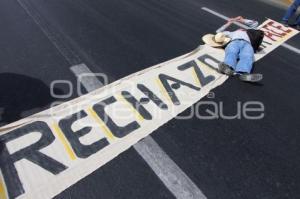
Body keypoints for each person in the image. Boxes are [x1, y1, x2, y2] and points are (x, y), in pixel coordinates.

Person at [202, 16, 264, 82]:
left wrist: (240, 20)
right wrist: (229, 23)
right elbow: (218, 31)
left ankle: (244, 73)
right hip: (234, 41)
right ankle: (228, 67)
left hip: (247, 44)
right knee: (232, 52)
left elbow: (255, 23)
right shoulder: (230, 33)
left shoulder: (249, 32)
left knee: (248, 56)